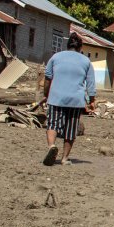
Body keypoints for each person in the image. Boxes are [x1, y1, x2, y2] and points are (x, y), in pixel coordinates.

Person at [42, 33, 96, 166]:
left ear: (67, 46)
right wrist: (92, 100)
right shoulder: (86, 61)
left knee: (53, 124)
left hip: (56, 97)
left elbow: (48, 78)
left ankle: (52, 146)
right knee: (71, 129)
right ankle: (64, 158)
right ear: (80, 47)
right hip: (76, 100)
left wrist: (46, 94)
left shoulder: (56, 57)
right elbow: (90, 83)